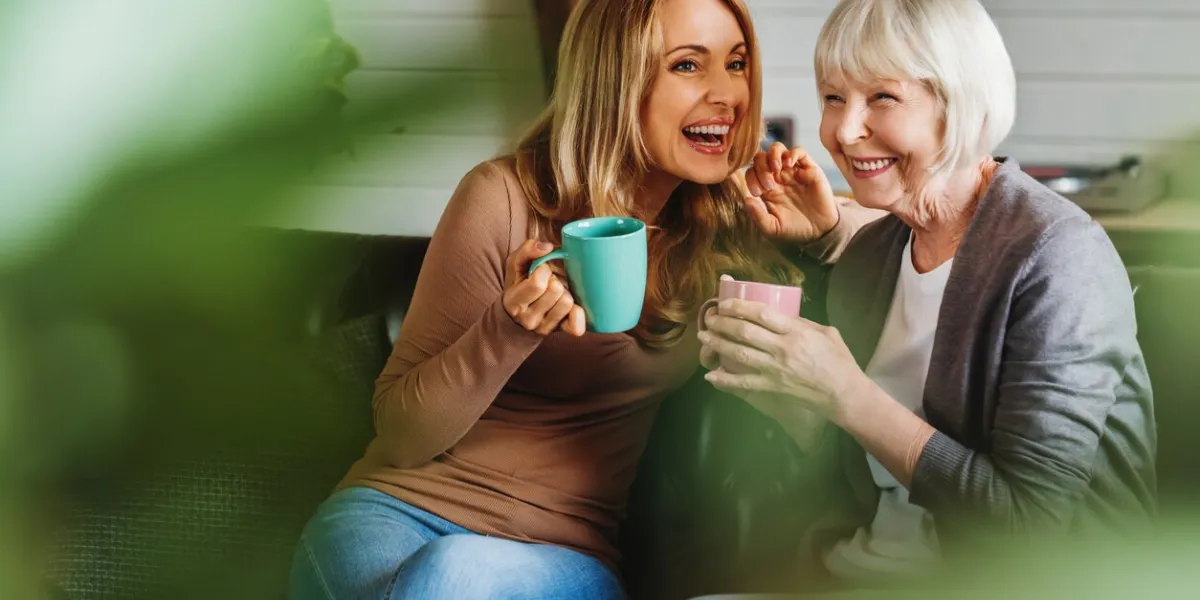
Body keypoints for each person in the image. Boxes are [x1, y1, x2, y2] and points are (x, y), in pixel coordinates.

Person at [288, 0, 803, 598]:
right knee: (447, 573)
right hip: (394, 517)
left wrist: (820, 235)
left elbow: (844, 322)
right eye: (687, 65)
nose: (727, 94)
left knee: (456, 572)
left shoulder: (725, 228)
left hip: (560, 556)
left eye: (736, 63)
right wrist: (508, 330)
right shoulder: (503, 197)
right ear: (615, 79)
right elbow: (403, 438)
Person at [697, 0, 1157, 591]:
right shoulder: (871, 257)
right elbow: (860, 472)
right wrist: (794, 402)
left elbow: (1032, 525)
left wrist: (847, 394)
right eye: (833, 97)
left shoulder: (1058, 256)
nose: (844, 130)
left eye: (882, 97)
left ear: (959, 103)